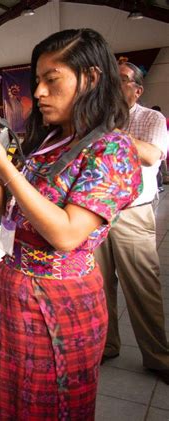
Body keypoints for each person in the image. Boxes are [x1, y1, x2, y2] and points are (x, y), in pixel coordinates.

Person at [0, 28, 142, 420]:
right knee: (14, 398)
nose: (38, 92)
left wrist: (4, 165)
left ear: (91, 78)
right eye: (36, 81)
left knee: (53, 405)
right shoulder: (50, 142)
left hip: (60, 300)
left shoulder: (111, 148)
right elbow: (3, 210)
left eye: (51, 80)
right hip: (17, 291)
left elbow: (65, 234)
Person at [95, 63, 169, 383]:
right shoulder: (96, 118)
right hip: (96, 213)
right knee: (98, 286)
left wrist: (109, 131)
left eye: (121, 80)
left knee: (143, 288)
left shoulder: (150, 119)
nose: (113, 84)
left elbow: (152, 156)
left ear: (137, 90)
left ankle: (158, 358)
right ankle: (107, 345)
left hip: (133, 214)